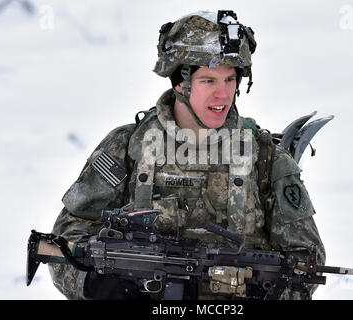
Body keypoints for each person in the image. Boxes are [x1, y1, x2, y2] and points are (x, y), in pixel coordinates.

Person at [48, 10, 326, 300]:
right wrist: (93, 284)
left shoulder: (265, 157)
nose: (223, 95)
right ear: (180, 82)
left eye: (230, 80)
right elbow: (65, 239)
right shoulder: (127, 145)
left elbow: (308, 260)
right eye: (209, 81)